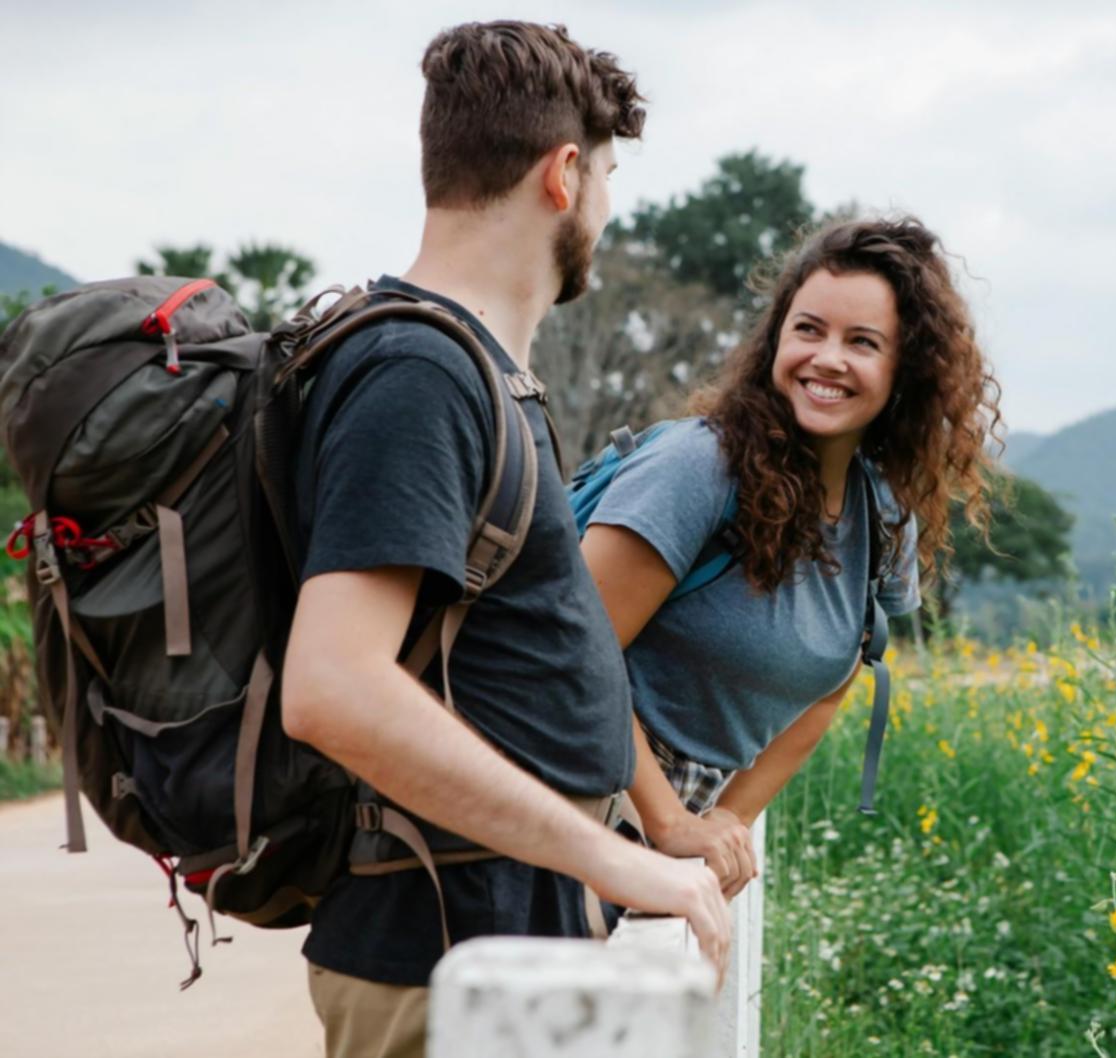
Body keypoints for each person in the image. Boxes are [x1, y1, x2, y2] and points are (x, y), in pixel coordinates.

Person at [280, 21, 728, 1057]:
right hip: (443, 961)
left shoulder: (474, 372)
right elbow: (332, 685)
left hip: (500, 949)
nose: (605, 212)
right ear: (564, 175)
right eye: (606, 180)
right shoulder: (419, 375)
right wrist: (613, 859)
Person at [581, 217, 1002, 895]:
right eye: (808, 329)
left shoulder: (883, 511)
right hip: (572, 788)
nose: (827, 359)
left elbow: (834, 681)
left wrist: (728, 818)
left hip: (666, 820)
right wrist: (668, 820)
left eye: (862, 342)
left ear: (907, 370)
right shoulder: (699, 467)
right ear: (776, 338)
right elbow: (573, 646)